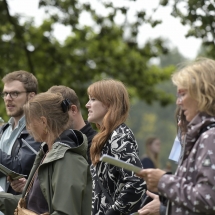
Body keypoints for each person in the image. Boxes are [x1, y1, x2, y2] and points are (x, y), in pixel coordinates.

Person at [137, 58, 215, 215]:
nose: (178, 102)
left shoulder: (210, 137)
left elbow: (209, 199)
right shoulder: (202, 137)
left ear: (203, 94)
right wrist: (166, 203)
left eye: (183, 94)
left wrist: (164, 181)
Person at [3, 92, 92, 215]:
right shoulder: (47, 153)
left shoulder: (68, 159)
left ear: (44, 122)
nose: (28, 128)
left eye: (29, 122)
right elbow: (32, 205)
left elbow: (66, 212)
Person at [86, 79, 146, 215]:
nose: (87, 105)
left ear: (108, 103)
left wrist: (112, 213)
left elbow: (137, 182)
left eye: (93, 99)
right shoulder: (108, 136)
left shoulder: (119, 136)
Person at [0, 70, 40, 196]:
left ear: (31, 96)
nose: (8, 98)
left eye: (14, 93)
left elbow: (20, 169)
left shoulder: (37, 129)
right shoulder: (4, 129)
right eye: (5, 94)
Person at [48, 85, 97, 164]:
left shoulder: (97, 145)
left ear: (73, 110)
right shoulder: (53, 143)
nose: (51, 122)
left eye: (56, 115)